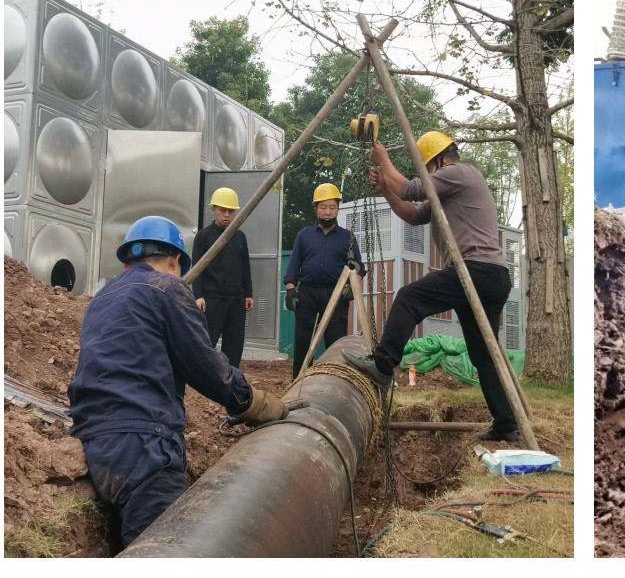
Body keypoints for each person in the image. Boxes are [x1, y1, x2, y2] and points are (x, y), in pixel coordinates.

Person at [68, 216, 287, 552]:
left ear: (128, 262)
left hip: (94, 446)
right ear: (173, 261)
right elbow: (206, 365)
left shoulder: (101, 298)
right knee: (167, 553)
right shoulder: (167, 288)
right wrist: (251, 402)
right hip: (144, 447)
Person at [342, 132, 518, 443]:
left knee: (409, 298)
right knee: (483, 355)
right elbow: (412, 213)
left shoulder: (458, 173)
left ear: (436, 161)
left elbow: (411, 189)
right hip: (491, 276)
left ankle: (383, 365)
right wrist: (385, 188)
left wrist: (383, 161)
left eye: (427, 167)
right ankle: (507, 424)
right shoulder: (447, 192)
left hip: (474, 270)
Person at [284, 183, 364, 379]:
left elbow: (359, 267)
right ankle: (299, 381)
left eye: (332, 207)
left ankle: (334, 381)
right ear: (316, 208)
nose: (328, 212)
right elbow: (294, 263)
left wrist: (352, 287)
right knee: (303, 342)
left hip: (335, 295)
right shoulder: (304, 235)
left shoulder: (348, 238)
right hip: (308, 294)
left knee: (335, 344)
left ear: (337, 208)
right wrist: (290, 289)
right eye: (323, 207)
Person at [191, 187, 253, 368]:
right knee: (207, 340)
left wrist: (248, 293)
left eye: (231, 211)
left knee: (234, 343)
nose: (226, 215)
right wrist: (198, 295)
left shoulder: (240, 237)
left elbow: (245, 267)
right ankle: (202, 374)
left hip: (236, 299)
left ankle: (231, 376)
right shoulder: (203, 236)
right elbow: (197, 268)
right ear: (214, 210)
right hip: (212, 298)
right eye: (222, 210)